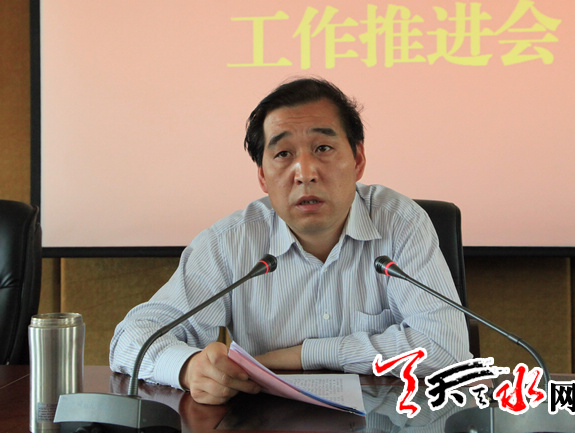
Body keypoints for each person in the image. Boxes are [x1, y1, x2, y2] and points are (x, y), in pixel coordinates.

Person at [110, 77, 471, 405]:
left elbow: (447, 349)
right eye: (283, 154)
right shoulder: (231, 242)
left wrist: (303, 355)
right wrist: (188, 367)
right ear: (263, 177)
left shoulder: (400, 223)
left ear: (358, 159)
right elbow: (131, 339)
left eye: (323, 148)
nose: (305, 173)